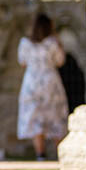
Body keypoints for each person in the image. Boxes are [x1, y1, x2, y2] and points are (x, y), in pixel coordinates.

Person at [17, 13, 68, 160]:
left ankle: (41, 154)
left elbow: (22, 61)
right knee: (55, 115)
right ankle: (61, 154)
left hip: (31, 81)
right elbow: (60, 61)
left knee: (35, 117)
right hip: (49, 81)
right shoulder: (52, 42)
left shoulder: (25, 43)